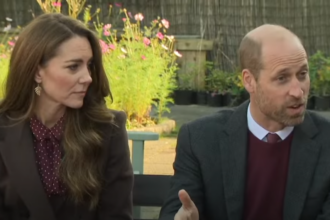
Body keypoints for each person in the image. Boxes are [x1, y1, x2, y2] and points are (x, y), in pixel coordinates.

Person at [159, 24, 330, 220]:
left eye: (302, 74)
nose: (298, 91)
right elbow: (177, 210)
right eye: (282, 78)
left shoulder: (326, 142)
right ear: (249, 81)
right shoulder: (200, 139)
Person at [0, 13, 133, 220]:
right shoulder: (3, 128)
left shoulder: (108, 129)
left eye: (89, 65)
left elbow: (116, 215)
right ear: (37, 72)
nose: (87, 78)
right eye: (73, 67)